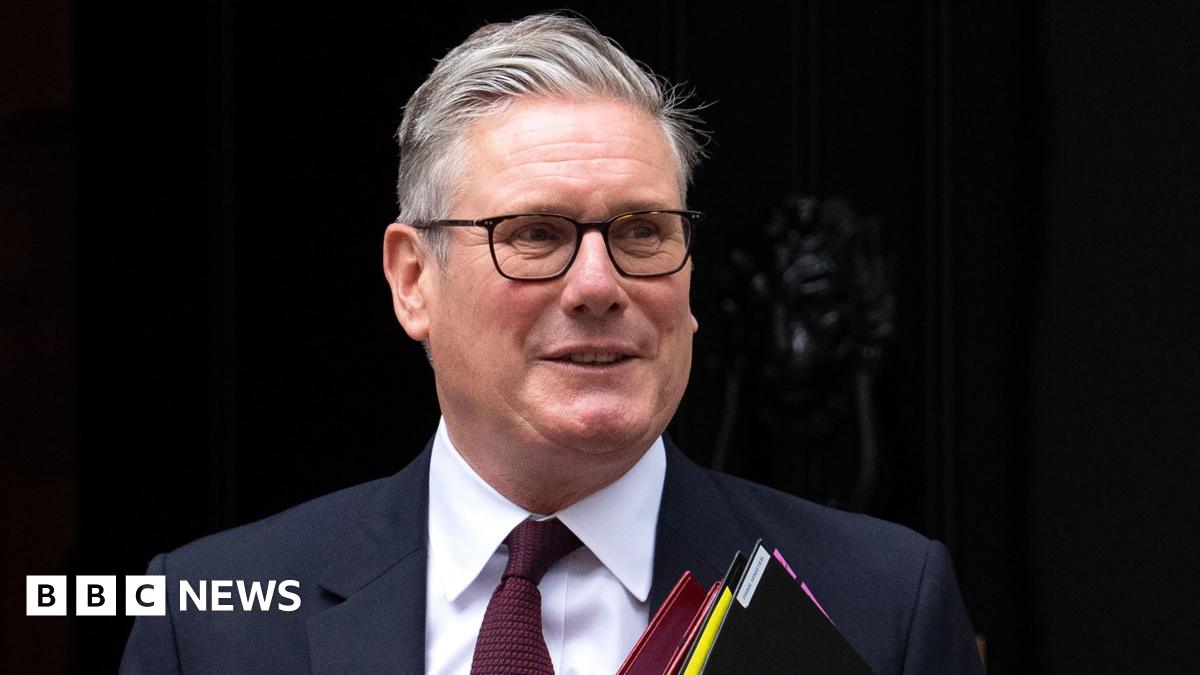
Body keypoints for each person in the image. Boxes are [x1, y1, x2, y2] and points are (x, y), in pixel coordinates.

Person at [120, 13, 982, 674]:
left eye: (643, 230)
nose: (600, 285)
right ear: (413, 280)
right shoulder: (210, 623)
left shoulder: (878, 605)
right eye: (534, 234)